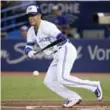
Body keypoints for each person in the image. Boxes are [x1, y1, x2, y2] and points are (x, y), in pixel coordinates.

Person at [24, 5, 103, 108]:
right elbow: (28, 46)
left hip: (65, 49)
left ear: (39, 15)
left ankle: (94, 86)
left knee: (63, 78)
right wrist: (29, 52)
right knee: (49, 81)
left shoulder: (47, 26)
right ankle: (72, 97)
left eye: (33, 15)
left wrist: (58, 37)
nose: (31, 17)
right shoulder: (31, 31)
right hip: (56, 55)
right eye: (29, 15)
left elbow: (61, 37)